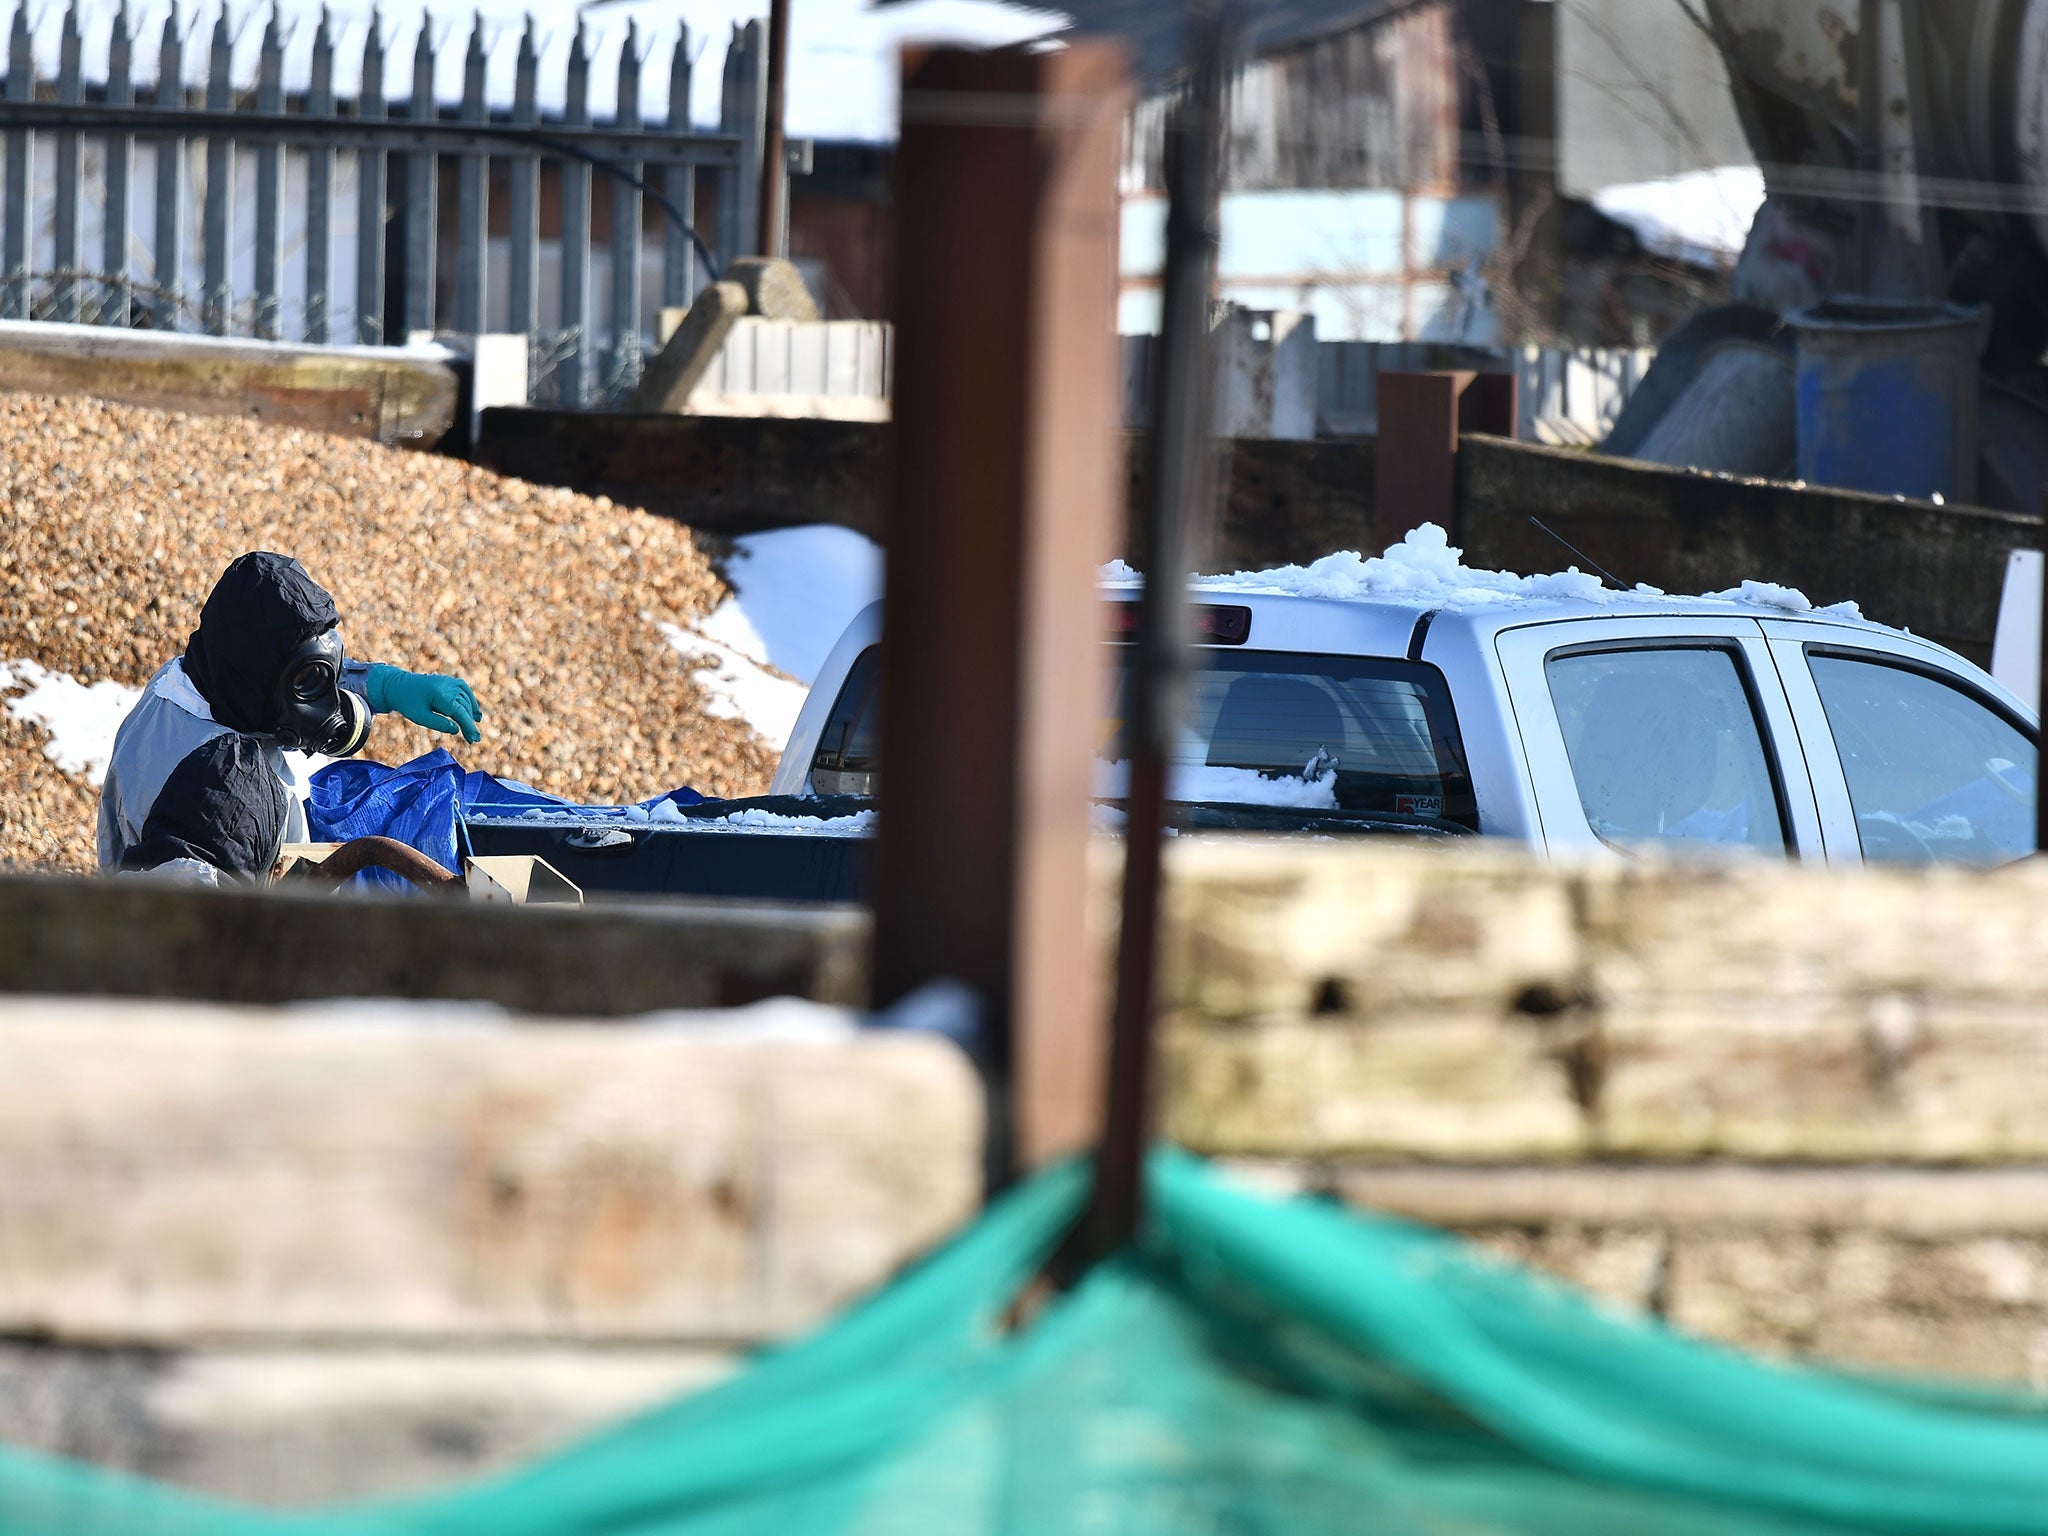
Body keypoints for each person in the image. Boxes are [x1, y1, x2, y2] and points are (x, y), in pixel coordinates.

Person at [99, 551, 484, 884]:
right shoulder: (227, 794)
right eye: (312, 679)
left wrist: (384, 686)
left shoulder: (185, 679)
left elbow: (279, 664)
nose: (329, 701)